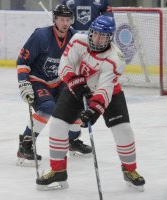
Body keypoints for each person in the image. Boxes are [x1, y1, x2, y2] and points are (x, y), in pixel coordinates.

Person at [36, 15, 145, 191]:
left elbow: (105, 89)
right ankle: (58, 171)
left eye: (104, 36)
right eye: (96, 34)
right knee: (57, 124)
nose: (99, 39)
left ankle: (130, 170)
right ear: (91, 32)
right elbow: (65, 65)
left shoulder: (115, 58)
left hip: (109, 93)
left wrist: (94, 110)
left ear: (110, 38)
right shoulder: (78, 40)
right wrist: (76, 83)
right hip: (76, 87)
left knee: (123, 129)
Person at [16, 4, 92, 167]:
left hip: (59, 81)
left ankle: (72, 140)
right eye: (61, 19)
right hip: (38, 81)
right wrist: (23, 81)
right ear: (55, 20)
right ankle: (25, 145)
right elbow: (22, 60)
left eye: (68, 20)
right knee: (48, 108)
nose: (65, 23)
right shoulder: (41, 36)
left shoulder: (74, 37)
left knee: (75, 107)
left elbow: (80, 61)